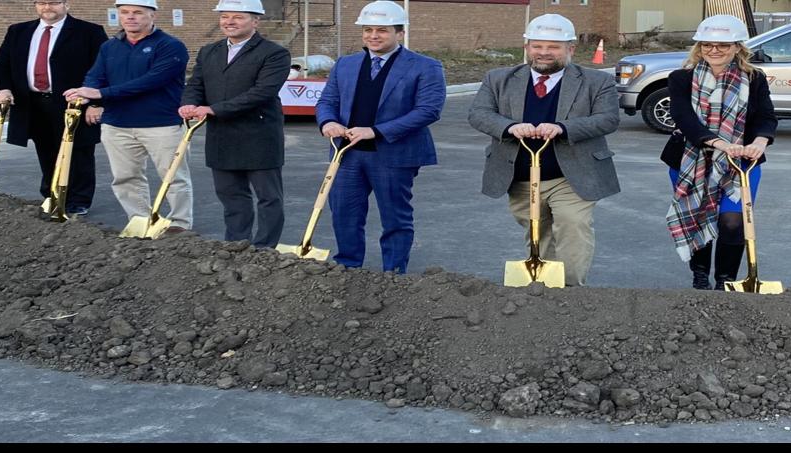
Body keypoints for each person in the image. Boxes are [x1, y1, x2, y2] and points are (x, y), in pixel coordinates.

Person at [466, 13, 621, 286]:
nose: (544, 53)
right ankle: (544, 291)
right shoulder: (499, 78)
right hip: (521, 175)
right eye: (537, 46)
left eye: (553, 47)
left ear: (570, 49)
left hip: (572, 175)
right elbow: (479, 114)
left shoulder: (596, 81)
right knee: (538, 231)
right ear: (527, 47)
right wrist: (510, 126)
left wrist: (563, 128)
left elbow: (608, 119)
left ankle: (569, 290)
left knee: (573, 225)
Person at [313, 0, 445, 273]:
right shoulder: (346, 64)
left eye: (382, 30)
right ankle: (348, 268)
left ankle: (393, 274)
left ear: (400, 33)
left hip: (394, 155)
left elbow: (428, 111)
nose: (373, 36)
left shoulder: (425, 66)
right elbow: (328, 100)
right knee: (345, 215)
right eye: (368, 29)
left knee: (395, 218)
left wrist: (375, 131)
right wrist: (328, 122)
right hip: (347, 154)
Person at [660, 14, 778, 290]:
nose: (714, 50)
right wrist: (719, 144)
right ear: (699, 47)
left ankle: (725, 279)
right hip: (690, 160)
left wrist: (760, 141)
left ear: (737, 47)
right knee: (699, 214)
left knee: (733, 220)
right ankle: (699, 275)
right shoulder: (681, 78)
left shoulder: (754, 78)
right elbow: (684, 118)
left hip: (742, 162)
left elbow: (766, 117)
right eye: (707, 45)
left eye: (723, 45)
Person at [64, 0, 193, 232]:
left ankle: (179, 225)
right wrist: (88, 97)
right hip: (117, 124)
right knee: (125, 178)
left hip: (161, 124)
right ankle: (140, 221)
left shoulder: (171, 46)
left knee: (173, 177)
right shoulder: (109, 47)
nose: (130, 17)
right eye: (124, 12)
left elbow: (150, 82)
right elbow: (95, 76)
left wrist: (100, 93)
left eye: (137, 12)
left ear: (152, 15)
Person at [179, 0, 292, 247]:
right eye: (224, 16)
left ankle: (264, 248)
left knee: (268, 198)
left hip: (259, 136)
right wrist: (189, 103)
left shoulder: (274, 53)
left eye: (237, 17)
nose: (229, 22)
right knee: (231, 196)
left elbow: (262, 92)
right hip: (222, 136)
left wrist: (214, 109)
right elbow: (195, 84)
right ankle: (236, 244)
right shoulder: (209, 51)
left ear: (255, 21)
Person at [0, 0, 108, 215]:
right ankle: (51, 194)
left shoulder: (89, 31)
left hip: (74, 104)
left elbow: (103, 69)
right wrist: (4, 89)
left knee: (78, 153)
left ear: (66, 4)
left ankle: (77, 200)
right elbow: (2, 64)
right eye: (41, 2)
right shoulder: (18, 31)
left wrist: (97, 103)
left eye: (53, 2)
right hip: (33, 103)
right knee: (46, 151)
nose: (47, 7)